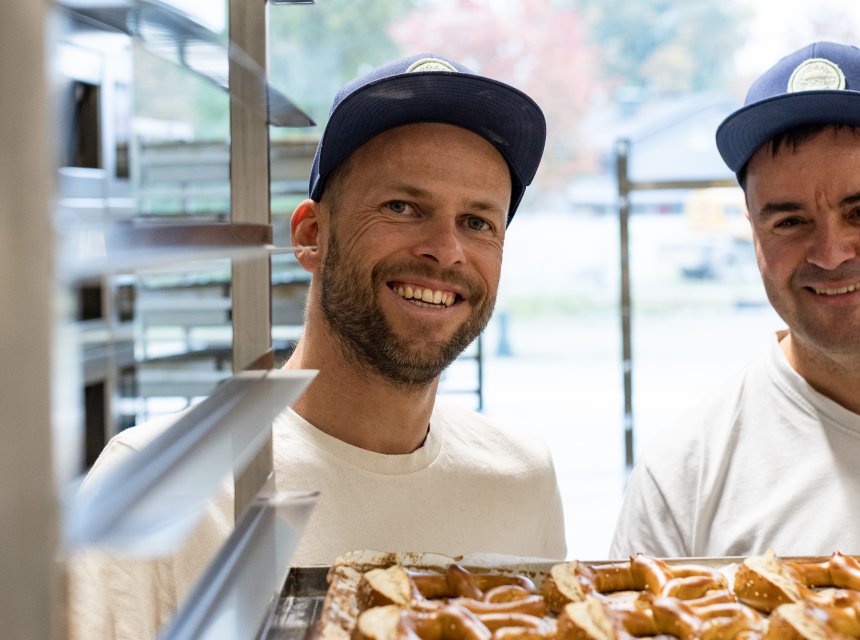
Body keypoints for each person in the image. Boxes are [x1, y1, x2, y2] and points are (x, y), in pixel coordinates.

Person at [70, 53, 567, 639]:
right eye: (402, 207)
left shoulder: (519, 480)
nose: (446, 249)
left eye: (478, 222)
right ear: (310, 236)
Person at [610, 41, 860, 559]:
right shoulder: (683, 481)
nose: (831, 253)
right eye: (789, 221)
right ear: (753, 231)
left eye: (859, 212)